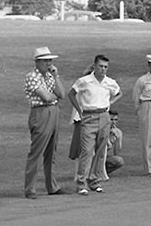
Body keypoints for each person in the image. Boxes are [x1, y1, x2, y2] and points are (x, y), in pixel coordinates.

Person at [67, 54, 121, 195]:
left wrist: (111, 103)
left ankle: (94, 180)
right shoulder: (84, 81)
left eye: (105, 67)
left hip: (104, 116)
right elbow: (71, 94)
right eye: (101, 66)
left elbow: (119, 93)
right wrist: (79, 109)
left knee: (101, 150)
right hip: (89, 116)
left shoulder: (110, 82)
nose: (103, 69)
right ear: (95, 66)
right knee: (86, 150)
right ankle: (81, 183)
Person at [23, 46, 65, 199]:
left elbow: (61, 94)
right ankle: (30, 189)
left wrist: (56, 76)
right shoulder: (32, 76)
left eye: (50, 61)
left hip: (53, 112)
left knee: (51, 152)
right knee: (36, 152)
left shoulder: (49, 76)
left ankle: (52, 186)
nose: (49, 64)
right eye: (46, 61)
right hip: (40, 113)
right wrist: (53, 96)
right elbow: (46, 97)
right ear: (37, 62)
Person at [102, 110, 125, 175]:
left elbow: (117, 153)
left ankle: (103, 172)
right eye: (111, 119)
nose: (113, 122)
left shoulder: (118, 132)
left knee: (119, 160)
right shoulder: (101, 129)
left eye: (115, 120)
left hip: (104, 156)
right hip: (95, 155)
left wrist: (118, 139)